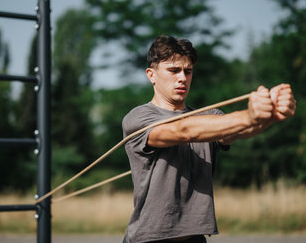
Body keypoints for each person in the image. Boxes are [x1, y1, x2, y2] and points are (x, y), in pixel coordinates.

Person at [122, 35, 296, 243]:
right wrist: (250, 116)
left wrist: (272, 114)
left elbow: (235, 132)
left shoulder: (211, 118)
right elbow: (183, 131)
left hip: (196, 239)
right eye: (173, 70)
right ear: (151, 75)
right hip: (148, 240)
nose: (182, 78)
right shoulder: (138, 118)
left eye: (188, 71)